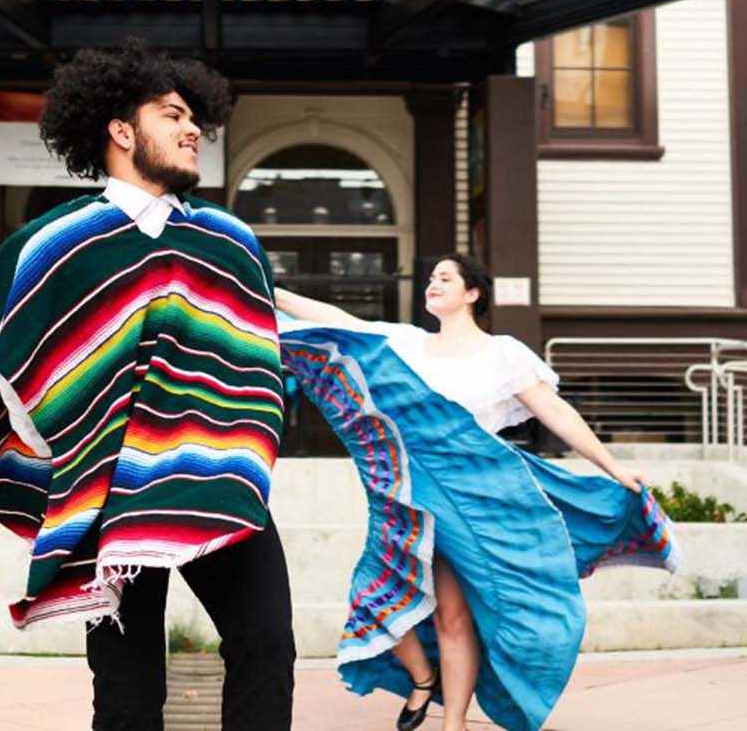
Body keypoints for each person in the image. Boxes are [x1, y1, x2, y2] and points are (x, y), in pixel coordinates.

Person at [0, 41, 292, 730]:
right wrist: (65, 440)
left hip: (216, 474)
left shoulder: (229, 241)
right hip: (105, 490)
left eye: (196, 117)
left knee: (267, 644)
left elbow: (257, 350)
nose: (193, 129)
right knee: (128, 685)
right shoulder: (57, 244)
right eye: (173, 115)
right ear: (122, 130)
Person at [274, 254, 675, 731]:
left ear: (472, 293)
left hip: (476, 501)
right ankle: (423, 678)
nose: (433, 284)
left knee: (453, 615)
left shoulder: (503, 352)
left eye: (445, 278)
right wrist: (270, 288)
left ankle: (455, 722)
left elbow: (555, 411)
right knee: (374, 596)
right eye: (430, 278)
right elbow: (340, 321)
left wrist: (611, 466)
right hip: (407, 497)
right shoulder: (408, 343)